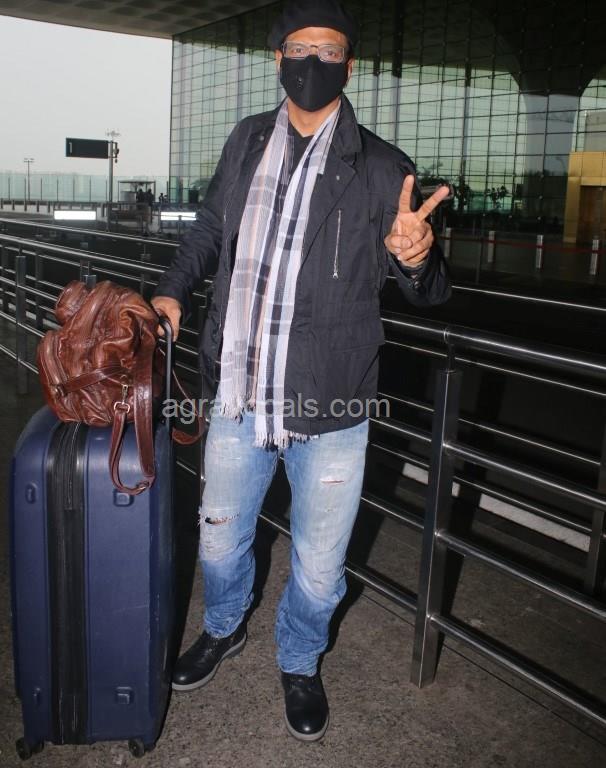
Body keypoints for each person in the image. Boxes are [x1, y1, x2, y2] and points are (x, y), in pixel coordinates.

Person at [151, 0, 450, 742]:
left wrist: (416, 259)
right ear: (278, 56)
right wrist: (172, 288)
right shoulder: (248, 139)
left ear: (350, 65)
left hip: (333, 403)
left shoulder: (382, 168)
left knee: (319, 566)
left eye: (330, 50)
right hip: (239, 389)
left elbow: (430, 289)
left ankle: (300, 659)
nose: (313, 62)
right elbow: (211, 228)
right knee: (218, 537)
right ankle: (225, 627)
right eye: (300, 47)